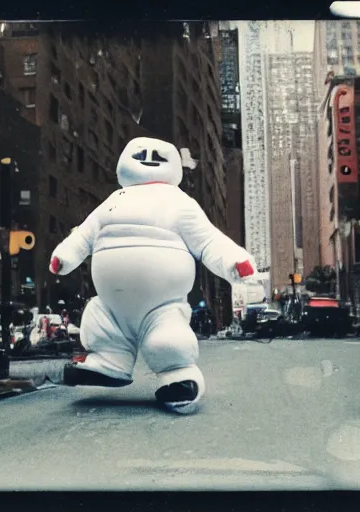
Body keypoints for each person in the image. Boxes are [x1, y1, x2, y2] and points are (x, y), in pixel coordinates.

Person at [49, 137, 257, 414]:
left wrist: (235, 262)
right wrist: (64, 257)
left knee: (168, 341)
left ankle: (179, 378)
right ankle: (109, 363)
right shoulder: (113, 200)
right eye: (141, 153)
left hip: (162, 307)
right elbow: (85, 235)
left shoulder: (180, 202)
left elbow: (208, 242)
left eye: (156, 154)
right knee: (100, 323)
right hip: (111, 306)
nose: (148, 156)